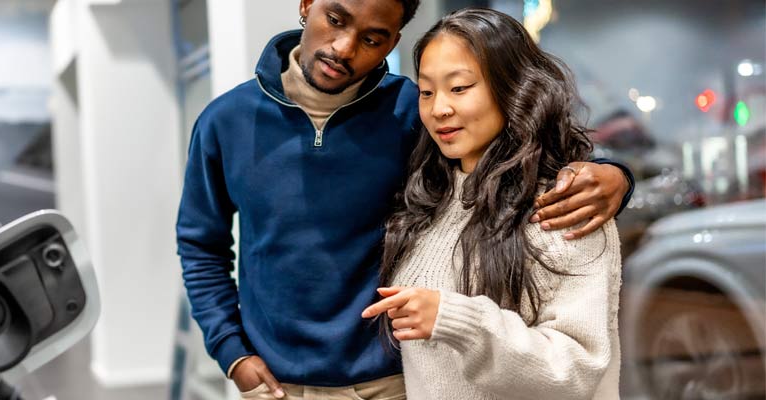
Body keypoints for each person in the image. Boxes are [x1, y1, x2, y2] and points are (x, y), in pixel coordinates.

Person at [176, 1, 632, 398]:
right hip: (276, 384)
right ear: (307, 3)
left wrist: (617, 176)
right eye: (335, 19)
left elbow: (521, 154)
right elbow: (201, 245)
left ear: (392, 40)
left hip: (393, 383)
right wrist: (231, 352)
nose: (344, 48)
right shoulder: (225, 122)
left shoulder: (410, 112)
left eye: (372, 38)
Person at [361, 8, 621, 399]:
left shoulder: (564, 204)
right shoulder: (430, 200)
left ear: (511, 87)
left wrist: (456, 321)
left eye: (460, 88)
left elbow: (575, 370)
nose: (439, 109)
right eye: (427, 91)